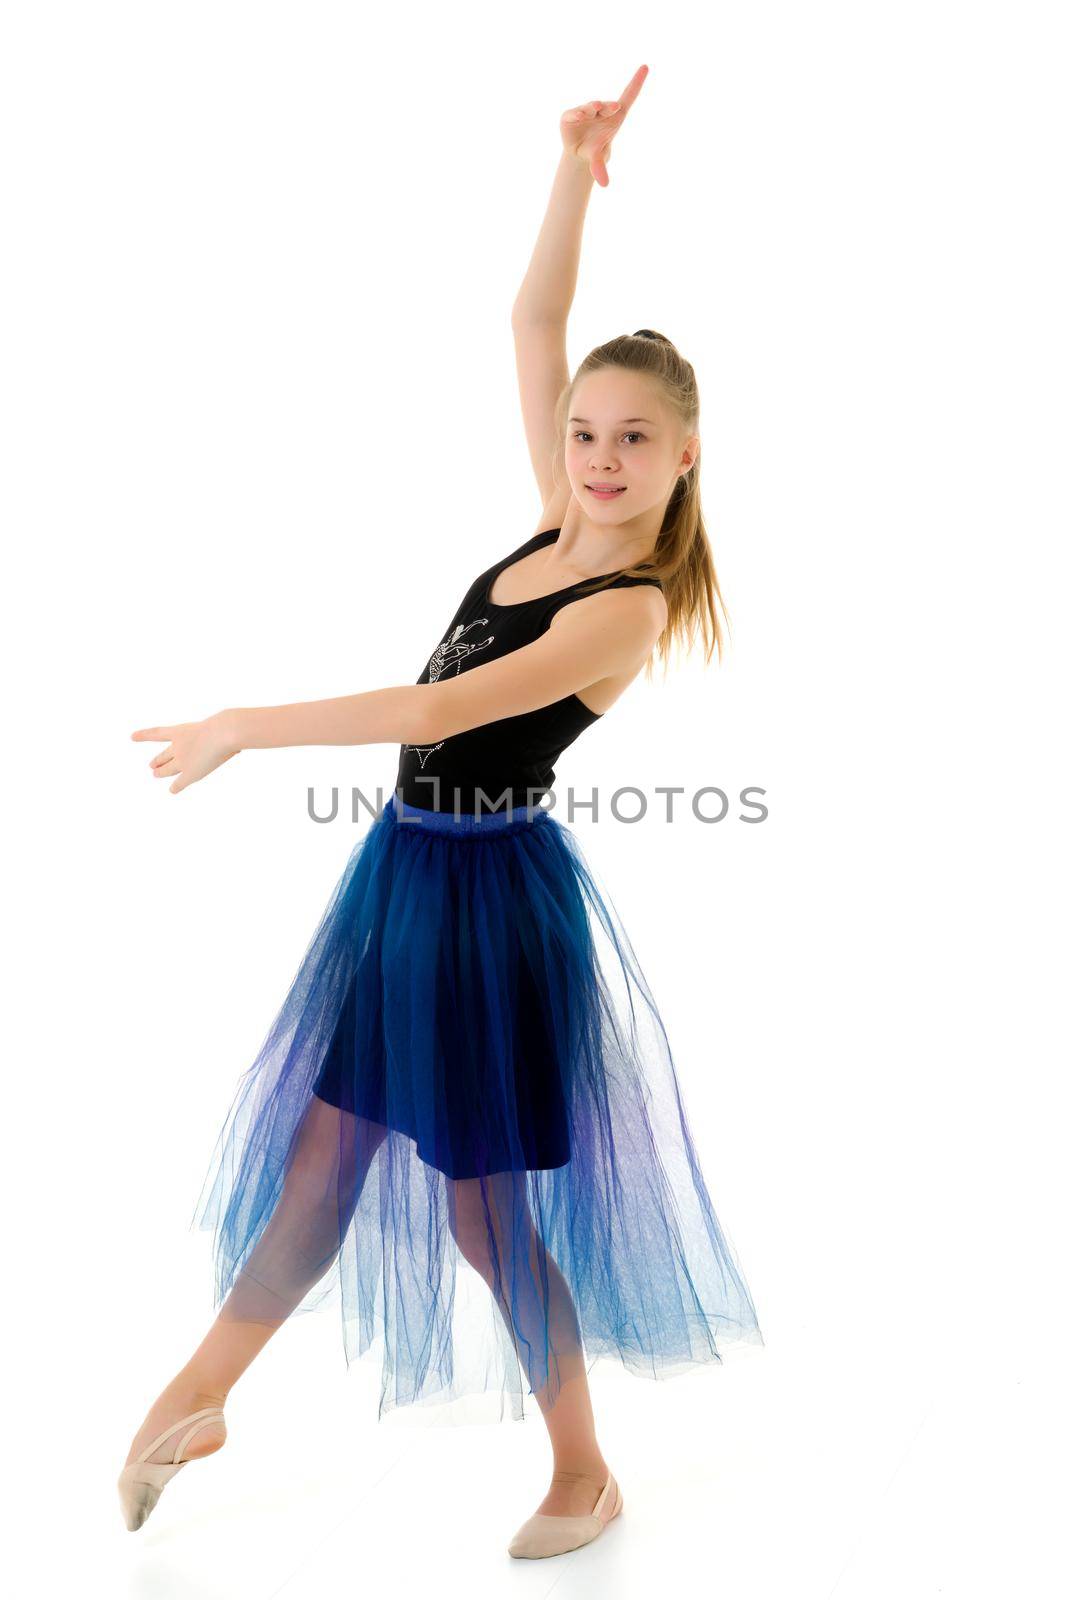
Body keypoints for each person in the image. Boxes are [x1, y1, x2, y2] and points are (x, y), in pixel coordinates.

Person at [119, 63, 763, 1562]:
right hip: (405, 879)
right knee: (325, 1156)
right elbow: (535, 327)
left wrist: (247, 724)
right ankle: (196, 1396)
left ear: (687, 455)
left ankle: (586, 1470)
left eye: (631, 441)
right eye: (587, 434)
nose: (598, 460)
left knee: (481, 1216)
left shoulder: (627, 603)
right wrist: (573, 170)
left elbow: (431, 715)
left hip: (490, 909)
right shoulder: (558, 513)